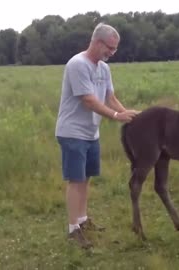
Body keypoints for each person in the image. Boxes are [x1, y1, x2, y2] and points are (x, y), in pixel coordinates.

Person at [55, 22, 139, 248]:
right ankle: (73, 229)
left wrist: (128, 114)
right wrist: (115, 116)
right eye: (110, 48)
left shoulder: (104, 69)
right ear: (96, 41)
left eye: (115, 49)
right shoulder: (77, 64)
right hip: (72, 131)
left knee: (86, 177)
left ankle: (82, 220)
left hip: (91, 133)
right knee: (76, 180)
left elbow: (110, 97)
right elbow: (89, 100)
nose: (112, 53)